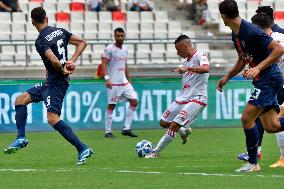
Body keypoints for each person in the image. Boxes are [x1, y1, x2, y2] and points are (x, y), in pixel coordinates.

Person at [3, 7, 93, 165]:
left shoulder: (41, 41)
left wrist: (62, 69)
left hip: (57, 83)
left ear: (32, 22)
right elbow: (82, 43)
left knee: (52, 118)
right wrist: (71, 61)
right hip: (49, 82)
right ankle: (21, 138)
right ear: (46, 18)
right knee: (20, 100)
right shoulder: (60, 31)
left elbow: (53, 60)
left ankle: (82, 148)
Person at [218, 0, 284, 172]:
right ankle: (253, 162)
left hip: (268, 77)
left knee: (247, 118)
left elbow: (278, 49)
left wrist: (257, 67)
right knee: (272, 126)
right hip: (264, 78)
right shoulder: (236, 33)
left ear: (223, 16)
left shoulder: (252, 31)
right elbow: (242, 58)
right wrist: (227, 77)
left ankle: (253, 162)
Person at [145, 34, 209, 158]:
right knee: (163, 122)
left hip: (197, 98)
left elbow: (206, 68)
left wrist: (186, 69)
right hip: (183, 98)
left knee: (174, 125)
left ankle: (155, 152)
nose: (177, 53)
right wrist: (184, 69)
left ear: (185, 46)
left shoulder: (200, 55)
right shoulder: (186, 62)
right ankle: (184, 131)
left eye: (178, 50)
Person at [237, 12, 284, 168]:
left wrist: (256, 68)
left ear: (257, 27)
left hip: (276, 83)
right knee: (270, 124)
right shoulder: (266, 39)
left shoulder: (275, 39)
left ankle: (259, 158)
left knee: (254, 118)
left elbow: (275, 57)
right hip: (275, 82)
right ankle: (256, 154)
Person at [101, 28, 138, 138]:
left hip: (124, 82)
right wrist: (107, 78)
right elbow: (103, 64)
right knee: (111, 106)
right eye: (118, 36)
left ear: (124, 36)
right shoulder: (109, 49)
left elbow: (125, 65)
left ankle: (126, 128)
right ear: (114, 36)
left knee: (134, 101)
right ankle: (108, 132)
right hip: (114, 83)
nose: (120, 38)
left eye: (122, 36)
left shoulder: (125, 49)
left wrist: (129, 79)